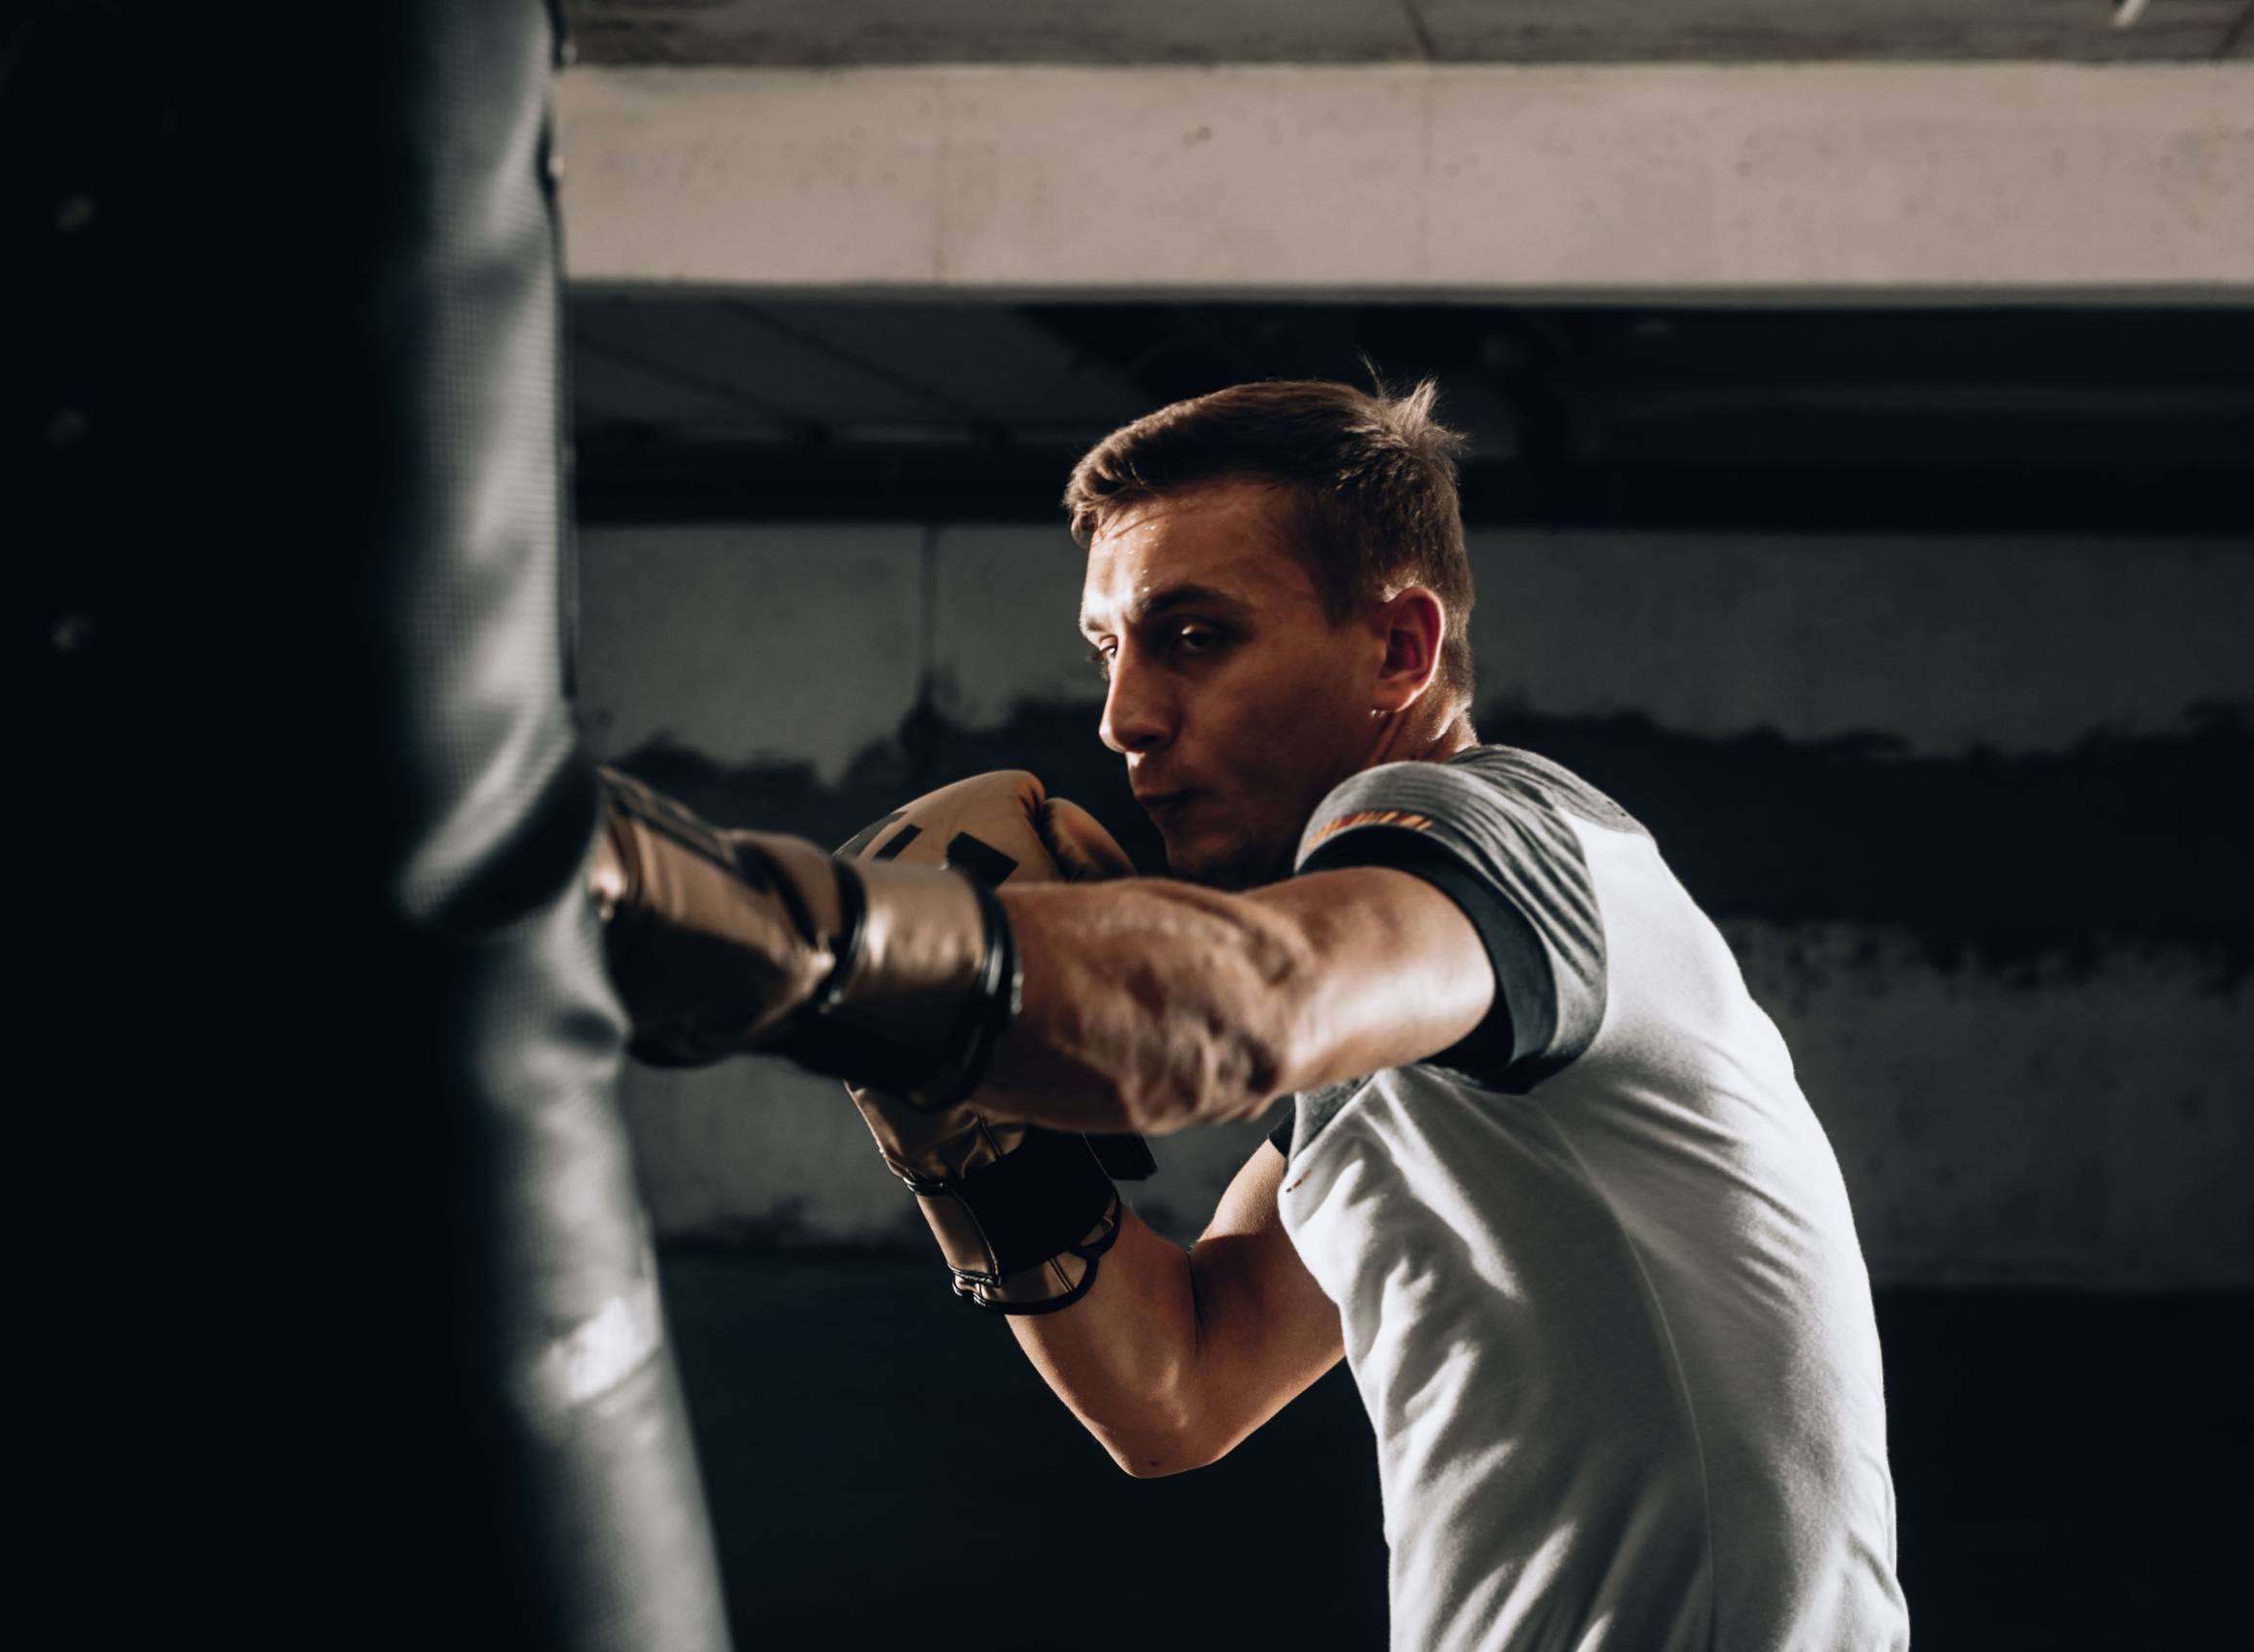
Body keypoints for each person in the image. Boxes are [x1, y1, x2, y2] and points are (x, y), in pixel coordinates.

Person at [595, 378, 1907, 1647]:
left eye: (1194, 636)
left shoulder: (1494, 834)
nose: (1124, 718)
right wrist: (968, 1126)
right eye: (1112, 647)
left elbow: (1237, 1006)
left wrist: (789, 936)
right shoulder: (1416, 1011)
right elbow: (1183, 1385)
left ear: (1398, 647)